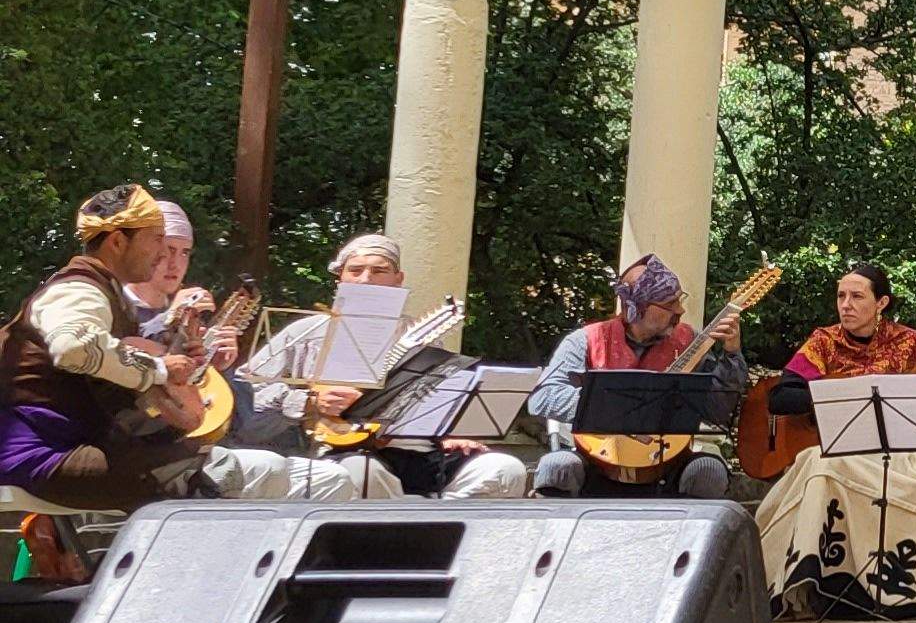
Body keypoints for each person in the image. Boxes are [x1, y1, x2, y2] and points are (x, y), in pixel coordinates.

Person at [2, 185, 390, 507]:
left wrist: (184, 371)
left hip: (81, 443)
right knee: (270, 483)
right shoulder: (78, 288)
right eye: (156, 241)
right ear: (119, 241)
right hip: (42, 455)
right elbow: (73, 347)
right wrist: (158, 372)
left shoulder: (105, 296)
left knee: (281, 475)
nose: (161, 255)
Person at [755, 261, 916, 620]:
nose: (845, 304)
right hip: (840, 449)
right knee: (822, 468)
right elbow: (781, 397)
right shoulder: (823, 342)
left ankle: (911, 586)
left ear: (881, 303)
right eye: (841, 296)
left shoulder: (911, 343)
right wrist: (840, 394)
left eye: (856, 296)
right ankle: (823, 580)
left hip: (901, 451)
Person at [239, 233, 528, 498]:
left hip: (421, 453)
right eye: (356, 270)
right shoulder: (305, 332)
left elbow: (436, 401)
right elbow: (247, 392)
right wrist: (308, 401)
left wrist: (449, 429)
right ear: (340, 278)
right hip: (343, 450)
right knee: (364, 475)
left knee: (504, 469)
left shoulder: (419, 338)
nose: (366, 279)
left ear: (398, 279)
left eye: (379, 271)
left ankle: (441, 535)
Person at [530, 255, 750, 498]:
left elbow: (718, 409)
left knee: (708, 470)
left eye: (679, 299)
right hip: (595, 460)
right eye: (668, 304)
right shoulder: (585, 341)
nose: (680, 310)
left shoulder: (689, 342)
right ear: (637, 309)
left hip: (667, 461)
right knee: (556, 467)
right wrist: (617, 413)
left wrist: (731, 353)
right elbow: (543, 397)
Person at [122, 198, 212, 346]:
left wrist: (217, 363)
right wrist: (171, 317)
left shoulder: (187, 315)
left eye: (185, 252)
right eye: (169, 250)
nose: (175, 264)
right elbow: (121, 352)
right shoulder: (112, 304)